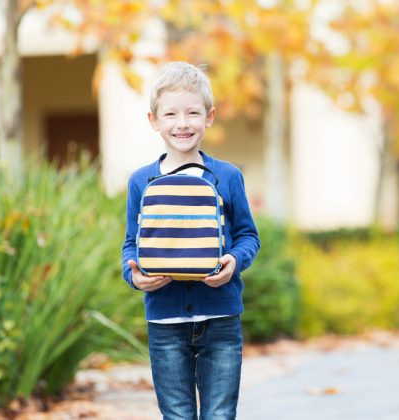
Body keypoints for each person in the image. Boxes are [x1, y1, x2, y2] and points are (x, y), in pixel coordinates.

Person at [121, 61, 260, 420]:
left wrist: (234, 262)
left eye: (192, 113)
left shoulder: (227, 177)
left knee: (219, 414)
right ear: (154, 120)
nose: (182, 123)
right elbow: (131, 244)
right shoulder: (141, 182)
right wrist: (134, 276)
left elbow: (247, 235)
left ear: (209, 116)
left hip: (221, 315)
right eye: (170, 114)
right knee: (178, 415)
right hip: (164, 321)